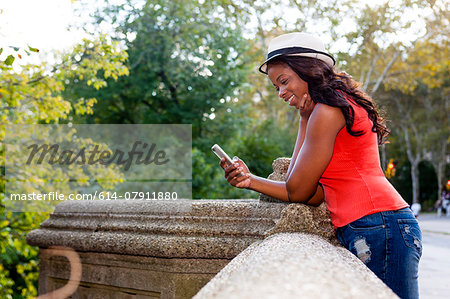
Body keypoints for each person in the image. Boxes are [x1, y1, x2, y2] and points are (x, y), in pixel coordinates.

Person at [220, 32, 422, 299]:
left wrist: (251, 179)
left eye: (284, 81)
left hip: (379, 225)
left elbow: (297, 190)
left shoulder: (327, 112)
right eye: (276, 87)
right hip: (381, 226)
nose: (281, 92)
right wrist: (304, 119)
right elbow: (314, 194)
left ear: (309, 70)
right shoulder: (329, 109)